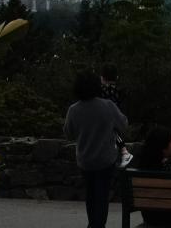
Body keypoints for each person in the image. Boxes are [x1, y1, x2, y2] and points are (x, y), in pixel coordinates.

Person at [64, 70, 128, 228]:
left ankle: (93, 223)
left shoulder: (73, 109)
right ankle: (97, 225)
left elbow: (68, 133)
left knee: (91, 195)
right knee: (102, 195)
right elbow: (124, 125)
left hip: (85, 161)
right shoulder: (108, 106)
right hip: (105, 160)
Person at [99, 63, 133, 168]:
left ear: (102, 77)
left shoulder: (102, 90)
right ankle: (124, 151)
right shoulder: (119, 90)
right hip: (118, 117)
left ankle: (124, 151)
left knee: (112, 132)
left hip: (106, 118)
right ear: (116, 77)